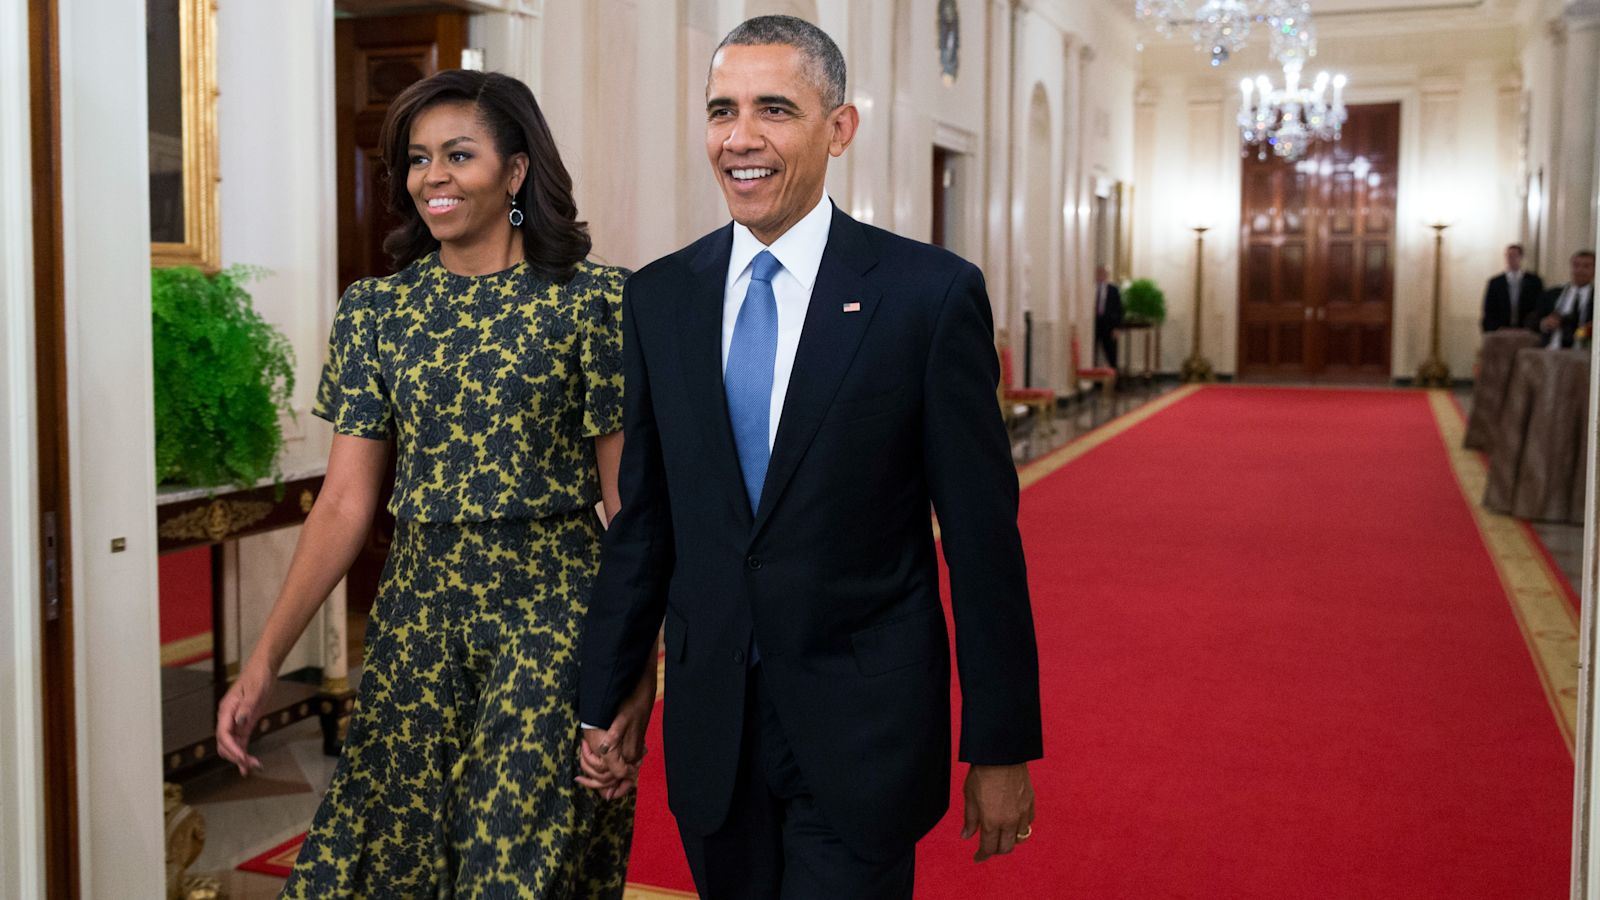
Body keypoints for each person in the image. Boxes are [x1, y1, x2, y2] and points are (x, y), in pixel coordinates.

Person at [576, 16, 1043, 899]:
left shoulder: (928, 296)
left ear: (839, 128)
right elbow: (647, 522)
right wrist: (611, 693)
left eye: (774, 109)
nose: (739, 137)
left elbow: (983, 542)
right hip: (716, 728)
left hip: (862, 730)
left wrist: (1000, 741)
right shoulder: (660, 297)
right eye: (722, 110)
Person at [213, 69, 655, 898]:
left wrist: (638, 668)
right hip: (418, 616)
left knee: (512, 865)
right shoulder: (377, 312)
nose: (432, 178)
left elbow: (627, 507)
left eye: (458, 154)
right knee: (394, 860)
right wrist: (264, 660)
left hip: (552, 614)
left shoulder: (595, 302)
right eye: (418, 159)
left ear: (517, 172)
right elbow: (344, 503)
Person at [1538, 250, 1596, 349]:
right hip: (1552, 348)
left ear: (1595, 269)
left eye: (1586, 266)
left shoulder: (1597, 297)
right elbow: (1532, 319)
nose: (1580, 270)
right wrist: (1545, 323)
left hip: (1585, 351)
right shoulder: (1553, 294)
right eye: (1576, 265)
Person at [1481, 243, 1544, 333]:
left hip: (1526, 329)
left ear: (1521, 257)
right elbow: (1489, 309)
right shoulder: (1496, 282)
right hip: (1501, 329)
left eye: (1514, 256)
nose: (1511, 259)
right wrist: (1494, 328)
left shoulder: (1534, 281)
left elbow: (1539, 306)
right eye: (1508, 256)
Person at [1093, 264, 1124, 369]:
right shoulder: (1091, 288)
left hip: (1109, 326)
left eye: (1104, 273)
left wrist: (1117, 327)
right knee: (1092, 353)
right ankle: (1095, 380)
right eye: (1099, 273)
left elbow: (1119, 309)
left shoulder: (1113, 290)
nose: (1101, 275)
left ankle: (1114, 380)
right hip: (1094, 325)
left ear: (1107, 275)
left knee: (1111, 353)